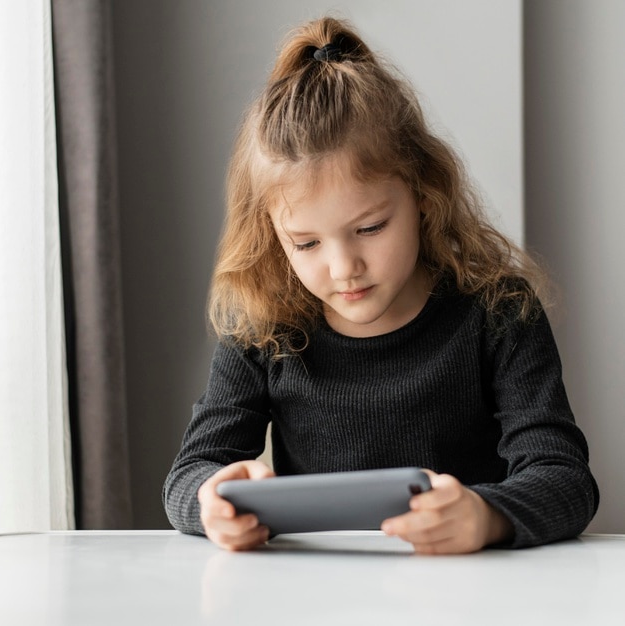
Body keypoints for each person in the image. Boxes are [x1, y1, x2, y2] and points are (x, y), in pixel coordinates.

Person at [163, 16, 599, 554]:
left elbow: (565, 479)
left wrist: (486, 517)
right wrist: (211, 502)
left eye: (369, 228)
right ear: (273, 234)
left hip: (475, 595)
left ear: (423, 193)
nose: (345, 267)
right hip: (319, 595)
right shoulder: (263, 327)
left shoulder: (498, 312)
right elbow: (190, 473)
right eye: (306, 244)